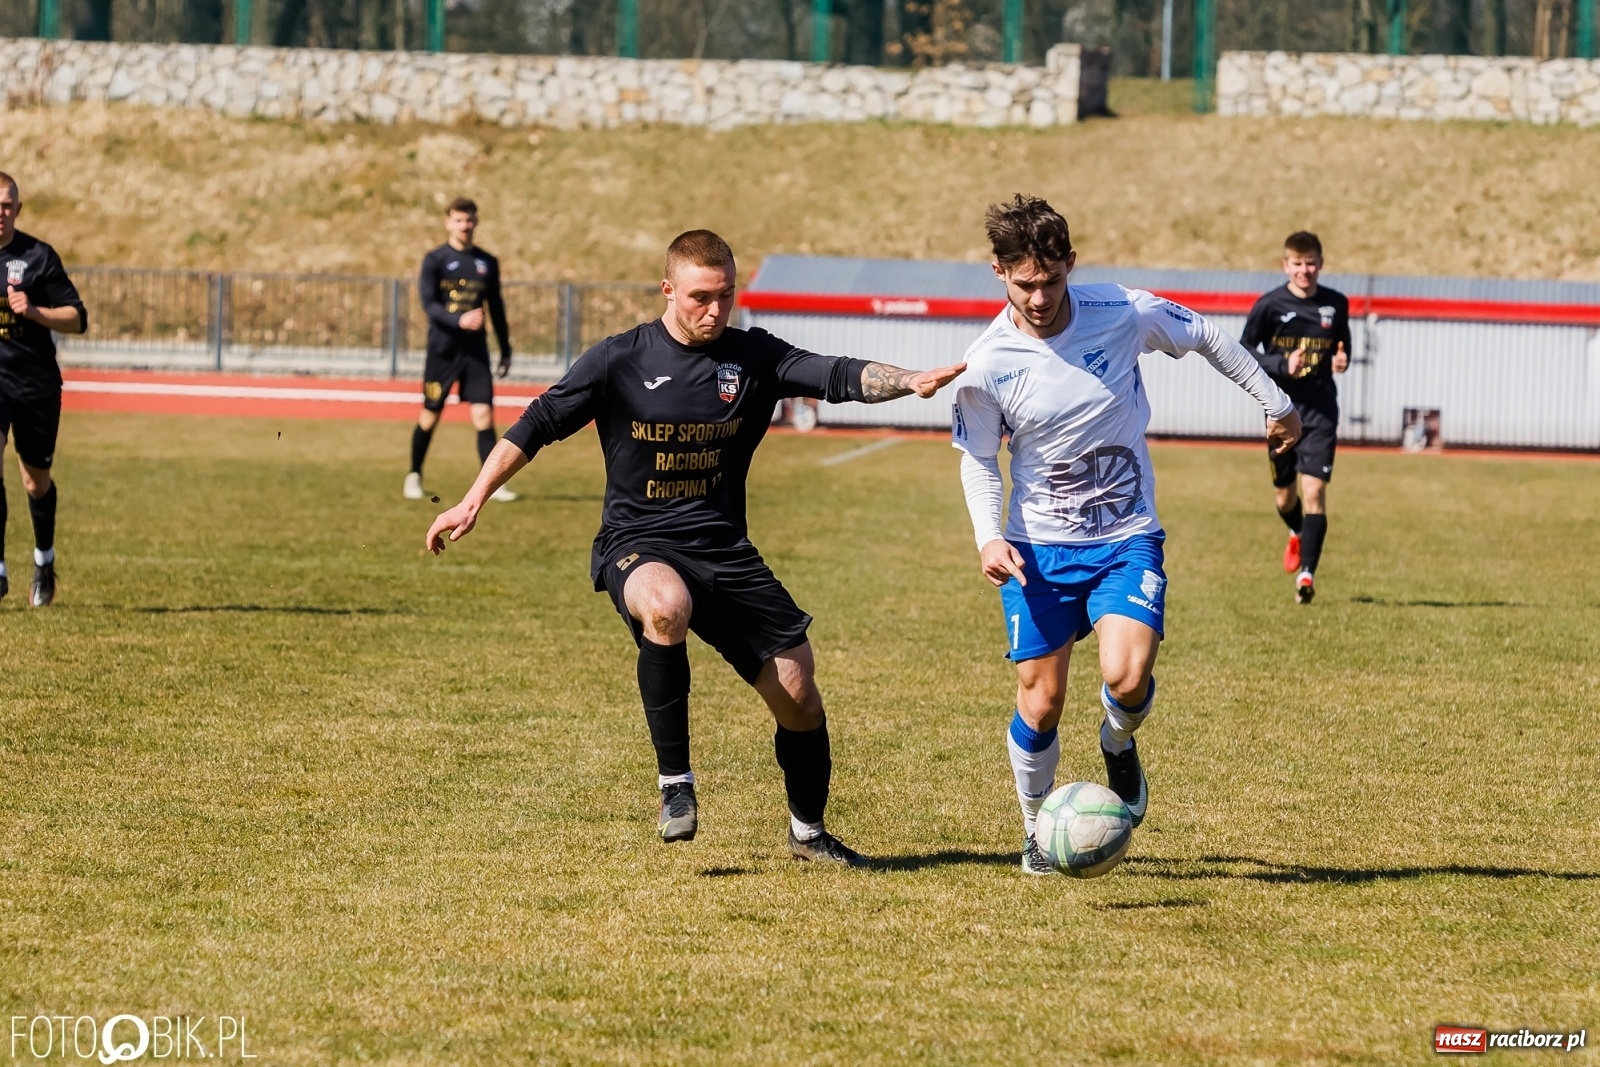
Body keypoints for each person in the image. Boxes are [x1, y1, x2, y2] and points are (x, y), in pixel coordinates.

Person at [425, 229, 963, 866]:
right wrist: (473, 496)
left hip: (725, 550)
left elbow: (834, 375)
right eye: (701, 297)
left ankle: (809, 833)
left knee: (798, 693)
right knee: (665, 605)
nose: (715, 310)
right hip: (636, 542)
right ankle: (675, 787)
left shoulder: (752, 356)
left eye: (726, 296)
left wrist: (910, 381)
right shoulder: (618, 359)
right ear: (667, 290)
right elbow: (537, 422)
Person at [950, 195, 1299, 875]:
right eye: (1025, 283)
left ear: (1071, 265)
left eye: (1052, 280)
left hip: (1125, 535)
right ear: (998, 272)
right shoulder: (987, 361)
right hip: (1038, 549)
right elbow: (977, 458)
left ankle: (1117, 740)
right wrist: (987, 537)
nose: (1041, 295)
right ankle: (1035, 830)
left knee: (1128, 675)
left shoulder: (1120, 311)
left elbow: (1207, 336)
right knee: (1041, 698)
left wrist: (1275, 401)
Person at [1239, 231, 1351, 604]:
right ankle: (1296, 532)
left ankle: (1306, 575)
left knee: (1314, 492)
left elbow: (1341, 346)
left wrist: (1341, 360)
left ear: (1321, 263)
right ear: (1285, 265)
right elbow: (1243, 353)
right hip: (1281, 412)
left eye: (1311, 263)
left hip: (1321, 411)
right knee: (1285, 497)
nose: (1305, 271)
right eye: (1298, 264)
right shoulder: (1269, 306)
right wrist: (1281, 364)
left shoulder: (1336, 304)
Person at [0, 173, 88, 607]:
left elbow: (77, 318)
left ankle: (44, 560)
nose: (1, 213)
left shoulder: (38, 257)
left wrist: (34, 312)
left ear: (18, 208)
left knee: (35, 483)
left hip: (34, 384)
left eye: (7, 205)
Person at [405, 197, 517, 503]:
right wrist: (459, 319)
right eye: (458, 220)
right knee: (430, 415)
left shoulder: (487, 262)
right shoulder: (435, 259)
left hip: (476, 354)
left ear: (475, 222)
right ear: (448, 222)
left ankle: (491, 483)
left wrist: (505, 349)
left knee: (484, 416)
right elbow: (429, 304)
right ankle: (414, 475)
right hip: (442, 352)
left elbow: (496, 307)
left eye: (469, 220)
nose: (464, 225)